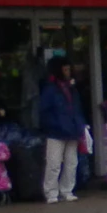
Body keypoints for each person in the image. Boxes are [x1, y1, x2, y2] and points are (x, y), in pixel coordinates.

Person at [37, 57, 86, 203]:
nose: (68, 72)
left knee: (72, 163)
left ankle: (66, 190)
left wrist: (80, 124)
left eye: (69, 69)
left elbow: (76, 109)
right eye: (65, 69)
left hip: (70, 129)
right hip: (57, 131)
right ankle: (52, 192)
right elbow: (44, 111)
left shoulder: (70, 89)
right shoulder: (51, 89)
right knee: (54, 163)